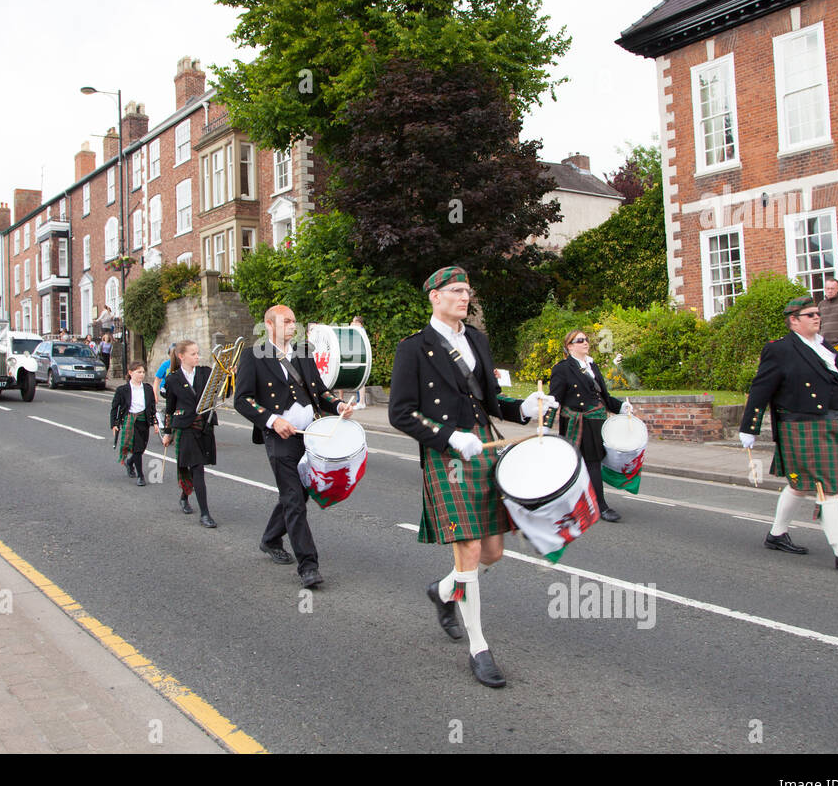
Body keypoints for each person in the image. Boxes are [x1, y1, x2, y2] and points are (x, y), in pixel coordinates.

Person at [389, 266, 554, 688]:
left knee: (493, 553)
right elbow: (400, 413)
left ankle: (443, 592)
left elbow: (489, 398)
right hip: (450, 456)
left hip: (485, 445)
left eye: (467, 291)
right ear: (435, 297)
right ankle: (479, 647)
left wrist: (525, 410)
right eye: (456, 291)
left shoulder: (476, 339)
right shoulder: (414, 348)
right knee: (468, 546)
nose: (465, 297)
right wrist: (447, 437)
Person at [739, 295, 838, 572]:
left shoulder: (825, 346)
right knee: (828, 486)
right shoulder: (781, 350)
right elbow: (761, 388)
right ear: (793, 321)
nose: (817, 318)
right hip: (803, 424)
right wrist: (749, 427)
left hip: (833, 423)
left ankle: (776, 535)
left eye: (817, 314)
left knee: (800, 485)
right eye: (810, 315)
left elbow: (837, 382)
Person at [234, 305, 354, 589]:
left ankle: (270, 538)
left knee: (301, 494)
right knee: (294, 501)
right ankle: (308, 566)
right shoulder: (254, 356)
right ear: (268, 325)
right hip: (280, 439)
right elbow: (243, 399)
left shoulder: (302, 352)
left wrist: (338, 405)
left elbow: (320, 391)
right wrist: (273, 421)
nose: (292, 325)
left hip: (311, 435)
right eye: (285, 321)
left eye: (293, 321)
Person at [548, 329, 635, 523]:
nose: (585, 343)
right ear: (570, 346)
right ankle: (600, 506)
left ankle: (571, 501)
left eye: (586, 339)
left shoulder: (592, 366)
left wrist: (621, 406)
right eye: (580, 340)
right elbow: (554, 400)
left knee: (587, 463)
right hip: (577, 422)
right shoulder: (563, 368)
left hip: (597, 421)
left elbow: (603, 396)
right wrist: (544, 427)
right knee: (589, 463)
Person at [161, 340, 219, 528]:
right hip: (186, 428)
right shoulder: (173, 379)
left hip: (204, 426)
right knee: (197, 468)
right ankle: (205, 514)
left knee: (193, 468)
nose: (197, 357)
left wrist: (230, 377)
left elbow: (221, 390)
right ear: (181, 356)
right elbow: (169, 408)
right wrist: (167, 432)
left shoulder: (205, 372)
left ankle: (184, 496)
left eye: (197, 353)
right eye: (193, 354)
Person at [111, 361, 160, 486]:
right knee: (137, 449)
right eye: (138, 372)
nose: (141, 375)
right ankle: (141, 476)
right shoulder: (123, 390)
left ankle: (129, 462)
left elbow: (152, 407)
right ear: (130, 373)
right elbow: (115, 408)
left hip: (144, 420)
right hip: (131, 421)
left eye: (143, 372)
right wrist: (114, 424)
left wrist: (155, 422)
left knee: (141, 448)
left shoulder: (148, 389)